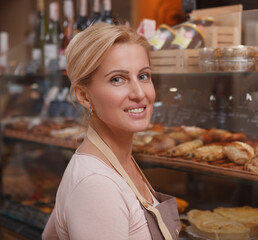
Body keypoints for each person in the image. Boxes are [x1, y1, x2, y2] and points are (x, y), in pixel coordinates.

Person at [42, 22, 180, 240]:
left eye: (143, 76)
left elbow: (50, 236)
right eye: (118, 79)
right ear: (84, 96)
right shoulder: (96, 185)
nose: (138, 93)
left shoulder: (118, 161)